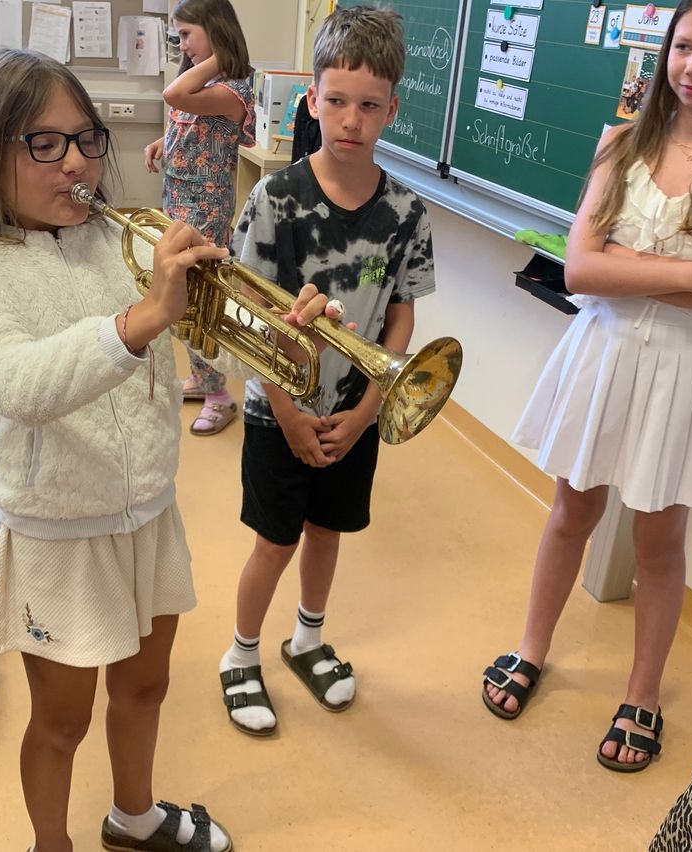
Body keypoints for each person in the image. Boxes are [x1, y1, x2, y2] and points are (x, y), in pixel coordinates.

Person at [0, 48, 339, 852]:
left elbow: (202, 325)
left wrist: (284, 324)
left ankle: (134, 817)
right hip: (58, 530)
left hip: (149, 507)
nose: (76, 161)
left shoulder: (115, 241)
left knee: (146, 687)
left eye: (85, 138)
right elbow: (13, 384)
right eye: (44, 144)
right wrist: (142, 318)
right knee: (61, 720)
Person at [482, 0, 692, 773]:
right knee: (570, 510)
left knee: (659, 539)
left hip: (686, 368)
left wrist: (638, 274)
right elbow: (582, 269)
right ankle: (530, 650)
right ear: (666, 53)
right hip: (605, 350)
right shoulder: (621, 141)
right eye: (684, 45)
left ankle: (642, 695)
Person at [216, 6, 436, 736]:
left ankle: (307, 638)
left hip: (356, 407)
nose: (351, 119)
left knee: (326, 528)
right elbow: (245, 316)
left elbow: (401, 315)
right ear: (311, 99)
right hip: (276, 410)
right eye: (336, 100)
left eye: (370, 105)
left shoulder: (407, 210)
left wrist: (371, 406)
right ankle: (239, 654)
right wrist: (285, 412)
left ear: (391, 111)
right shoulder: (274, 199)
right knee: (275, 539)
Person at [144, 0, 254, 436]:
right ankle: (203, 378)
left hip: (206, 208)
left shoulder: (235, 87)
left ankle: (219, 396)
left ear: (216, 30)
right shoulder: (206, 82)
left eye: (188, 33)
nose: (181, 43)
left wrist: (219, 58)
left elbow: (175, 96)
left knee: (199, 297)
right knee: (183, 293)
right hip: (180, 197)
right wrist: (163, 142)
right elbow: (188, 119)